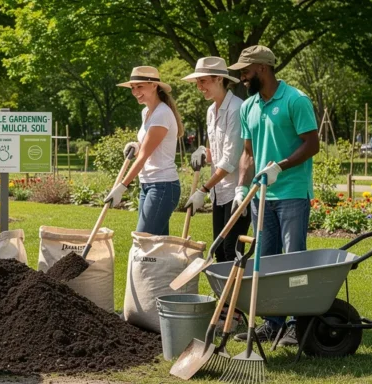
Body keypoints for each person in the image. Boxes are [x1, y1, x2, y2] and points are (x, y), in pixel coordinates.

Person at [228, 46, 319, 346]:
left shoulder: (296, 100)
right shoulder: (248, 107)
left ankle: (295, 324)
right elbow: (247, 153)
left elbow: (312, 144)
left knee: (293, 260)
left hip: (292, 192)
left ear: (262, 68)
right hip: (261, 196)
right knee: (265, 261)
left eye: (245, 71)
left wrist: (281, 166)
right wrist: (241, 188)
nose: (242, 77)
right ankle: (273, 323)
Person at [182, 57, 250, 262]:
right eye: (197, 82)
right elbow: (217, 154)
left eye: (203, 81)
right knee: (219, 250)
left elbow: (230, 161)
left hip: (237, 191)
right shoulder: (211, 111)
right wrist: (204, 152)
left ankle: (239, 284)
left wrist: (202, 190)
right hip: (219, 192)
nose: (199, 87)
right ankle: (225, 286)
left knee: (231, 250)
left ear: (219, 79)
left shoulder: (237, 109)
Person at [104, 66, 184, 235]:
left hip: (163, 186)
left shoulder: (162, 113)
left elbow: (143, 157)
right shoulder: (146, 112)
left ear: (154, 85)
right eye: (133, 88)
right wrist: (137, 145)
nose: (135, 92)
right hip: (147, 184)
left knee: (143, 240)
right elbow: (149, 144)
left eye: (139, 86)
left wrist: (122, 187)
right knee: (156, 244)